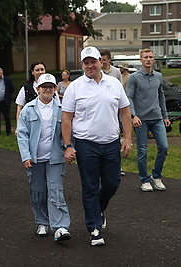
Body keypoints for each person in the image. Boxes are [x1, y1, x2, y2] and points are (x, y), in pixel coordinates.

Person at [62, 46, 132, 246]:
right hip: (86, 144)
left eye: (94, 61)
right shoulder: (75, 87)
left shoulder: (114, 84)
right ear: (82, 64)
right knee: (90, 186)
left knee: (112, 183)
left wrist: (127, 138)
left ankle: (98, 209)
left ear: (101, 62)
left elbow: (125, 112)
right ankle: (94, 228)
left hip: (110, 143)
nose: (90, 65)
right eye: (86, 62)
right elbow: (66, 119)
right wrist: (68, 145)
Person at [17, 73, 71, 242]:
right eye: (44, 87)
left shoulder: (62, 110)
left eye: (51, 87)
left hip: (55, 158)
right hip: (35, 159)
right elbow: (22, 134)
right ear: (37, 89)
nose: (47, 90)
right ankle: (42, 221)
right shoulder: (28, 109)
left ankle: (60, 227)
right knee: (38, 192)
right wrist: (25, 155)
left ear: (55, 89)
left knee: (55, 191)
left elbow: (70, 132)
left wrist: (69, 148)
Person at [126, 48, 170, 192]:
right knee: (142, 151)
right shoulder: (134, 77)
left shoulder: (158, 76)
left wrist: (165, 116)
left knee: (164, 147)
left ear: (154, 59)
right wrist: (134, 115)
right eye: (145, 57)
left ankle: (156, 176)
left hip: (157, 117)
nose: (148, 59)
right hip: (141, 119)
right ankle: (144, 179)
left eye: (151, 57)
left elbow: (161, 96)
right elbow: (129, 97)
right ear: (141, 60)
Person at [0, 67, 15, 136]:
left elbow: (12, 89)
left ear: (2, 73)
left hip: (5, 102)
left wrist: (7, 95)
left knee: (7, 117)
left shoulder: (7, 80)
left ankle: (8, 131)